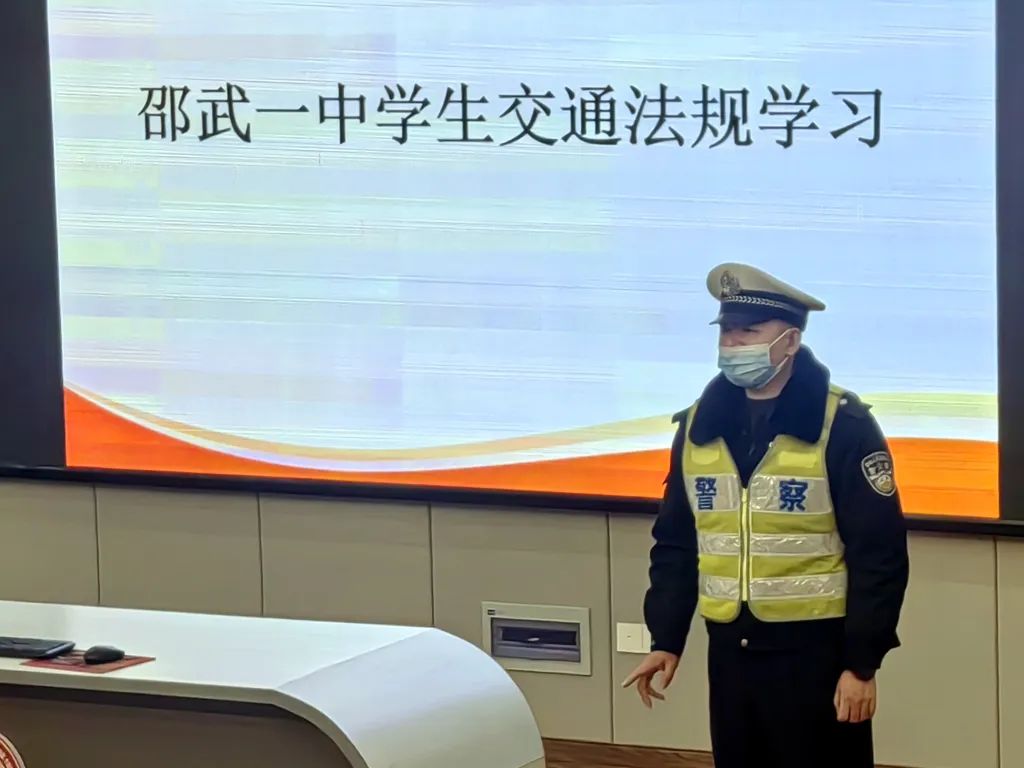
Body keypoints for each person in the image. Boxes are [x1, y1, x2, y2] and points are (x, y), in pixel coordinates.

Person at [622, 262, 910, 768]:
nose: (733, 344)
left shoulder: (843, 424)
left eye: (748, 332)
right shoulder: (698, 426)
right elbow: (677, 543)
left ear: (790, 341)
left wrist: (861, 664)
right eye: (727, 332)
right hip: (729, 651)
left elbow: (879, 554)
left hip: (816, 655)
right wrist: (666, 638)